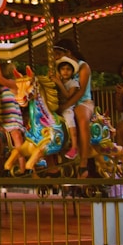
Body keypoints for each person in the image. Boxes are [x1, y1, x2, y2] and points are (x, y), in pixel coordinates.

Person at [52, 39, 94, 173]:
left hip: (83, 102)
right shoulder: (61, 69)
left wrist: (65, 106)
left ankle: (84, 162)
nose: (55, 58)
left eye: (58, 54)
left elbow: (81, 91)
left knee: (81, 117)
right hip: (67, 103)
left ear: (68, 53)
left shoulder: (83, 67)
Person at [55, 58, 81, 147]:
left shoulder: (73, 83)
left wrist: (59, 83)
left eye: (68, 69)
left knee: (69, 118)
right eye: (63, 69)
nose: (65, 71)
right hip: (57, 106)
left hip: (68, 107)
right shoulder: (57, 82)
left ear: (72, 72)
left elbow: (68, 96)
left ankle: (74, 145)